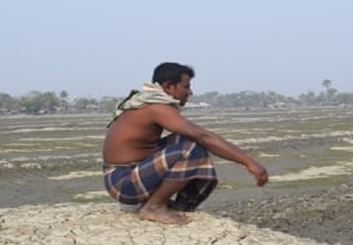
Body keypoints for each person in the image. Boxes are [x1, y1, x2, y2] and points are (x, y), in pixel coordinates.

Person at [102, 62, 268, 225]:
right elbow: (203, 136)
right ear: (168, 86)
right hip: (122, 182)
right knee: (191, 148)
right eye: (186, 86)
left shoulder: (147, 102)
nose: (190, 92)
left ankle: (179, 206)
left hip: (133, 173)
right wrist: (249, 162)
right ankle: (153, 207)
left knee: (186, 141)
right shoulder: (155, 107)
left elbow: (198, 136)